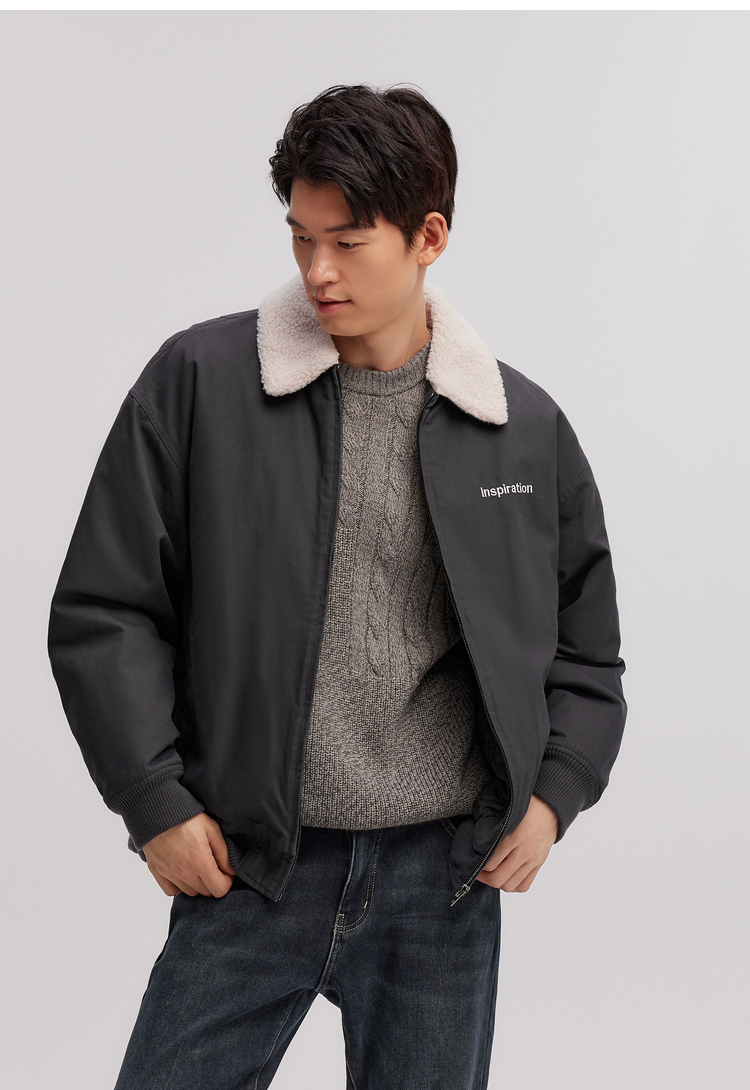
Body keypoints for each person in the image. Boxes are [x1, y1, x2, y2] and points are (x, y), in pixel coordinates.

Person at [48, 84, 626, 1090]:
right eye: (300, 237)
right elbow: (107, 607)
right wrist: (153, 801)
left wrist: (553, 796)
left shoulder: (519, 429)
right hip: (253, 866)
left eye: (348, 242)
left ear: (428, 236)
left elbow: (587, 645)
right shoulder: (200, 383)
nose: (317, 270)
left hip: (441, 882)